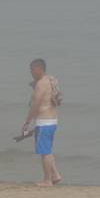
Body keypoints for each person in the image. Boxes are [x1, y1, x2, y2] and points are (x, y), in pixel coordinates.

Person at [21, 58, 62, 186]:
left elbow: (36, 104)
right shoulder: (49, 80)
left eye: (32, 69)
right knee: (47, 149)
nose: (31, 72)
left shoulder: (41, 84)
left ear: (39, 69)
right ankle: (55, 175)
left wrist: (27, 122)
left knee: (44, 152)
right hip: (52, 120)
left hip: (44, 121)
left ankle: (47, 180)